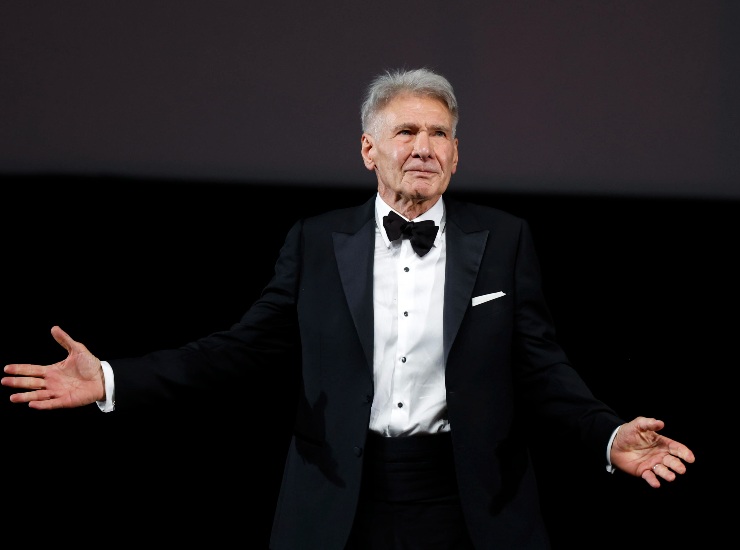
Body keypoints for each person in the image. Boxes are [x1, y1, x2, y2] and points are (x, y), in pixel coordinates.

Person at [2, 67, 694, 550]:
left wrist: (607, 435)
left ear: (456, 154)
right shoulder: (315, 242)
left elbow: (542, 366)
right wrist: (114, 378)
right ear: (369, 149)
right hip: (338, 500)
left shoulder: (505, 239)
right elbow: (238, 349)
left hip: (469, 500)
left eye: (439, 134)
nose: (423, 147)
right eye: (406, 132)